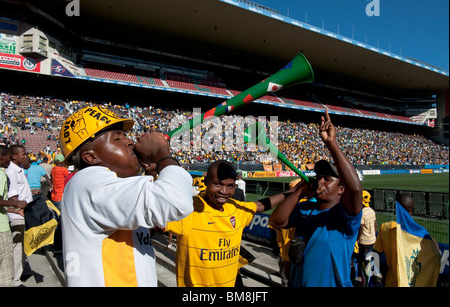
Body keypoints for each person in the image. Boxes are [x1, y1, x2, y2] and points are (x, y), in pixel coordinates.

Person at [60, 106, 193, 287]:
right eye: (117, 138)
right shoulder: (88, 181)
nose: (130, 141)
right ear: (90, 158)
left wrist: (154, 174)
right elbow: (176, 201)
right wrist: (162, 152)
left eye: (126, 136)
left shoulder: (102, 185)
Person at [163, 159, 295, 287]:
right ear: (206, 182)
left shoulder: (234, 207)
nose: (224, 191)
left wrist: (296, 191)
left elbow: (260, 205)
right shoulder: (189, 207)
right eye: (218, 184)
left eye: (230, 186)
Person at [269, 110, 363, 287]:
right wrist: (299, 192)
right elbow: (276, 222)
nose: (320, 181)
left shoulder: (346, 217)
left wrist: (331, 144)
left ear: (341, 189)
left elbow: (355, 189)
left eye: (327, 179)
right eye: (319, 177)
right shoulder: (305, 208)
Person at [373, 193, 441, 287]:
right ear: (414, 209)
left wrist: (377, 277)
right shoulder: (423, 236)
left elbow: (375, 254)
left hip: (391, 282)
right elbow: (437, 254)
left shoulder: (385, 228)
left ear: (395, 209)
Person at [4, 145, 33, 286]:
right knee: (17, 248)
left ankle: (19, 272)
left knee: (22, 246)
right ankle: (15, 279)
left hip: (23, 213)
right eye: (23, 154)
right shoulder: (11, 172)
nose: (26, 156)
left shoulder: (19, 170)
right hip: (18, 215)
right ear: (14, 156)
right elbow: (13, 196)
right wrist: (18, 209)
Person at [354, 190, 378, 286]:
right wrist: (373, 234)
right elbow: (375, 224)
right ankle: (374, 275)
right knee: (370, 257)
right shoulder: (372, 211)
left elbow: (361, 228)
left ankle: (367, 278)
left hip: (364, 241)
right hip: (372, 239)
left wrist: (357, 239)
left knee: (364, 259)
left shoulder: (362, 213)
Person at [0, 146, 15, 287]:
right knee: (5, 268)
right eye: (8, 157)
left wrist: (14, 209)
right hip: (1, 227)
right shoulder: (1, 175)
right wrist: (17, 203)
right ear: (1, 158)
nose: (9, 161)